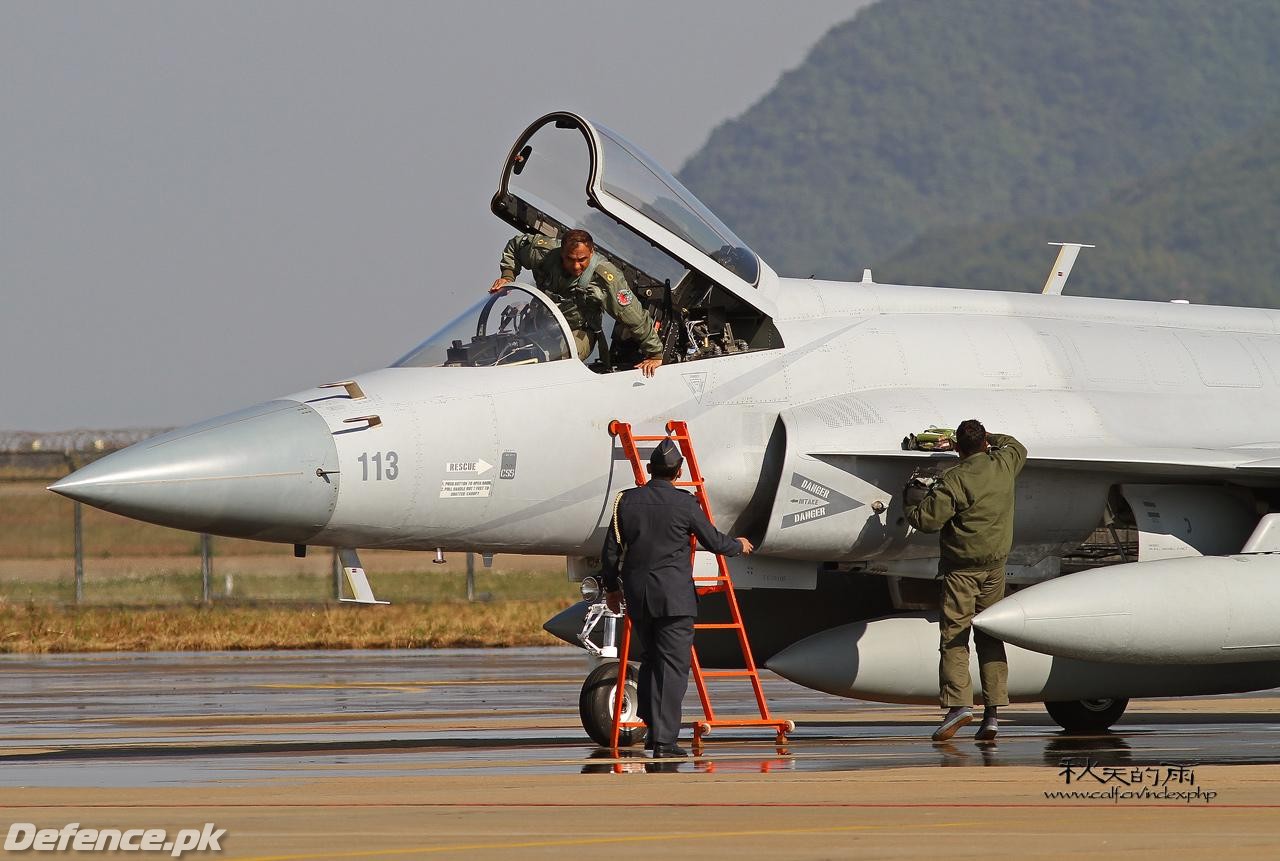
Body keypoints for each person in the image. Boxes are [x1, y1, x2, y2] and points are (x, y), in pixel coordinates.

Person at [600, 439, 754, 757]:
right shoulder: (685, 504)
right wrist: (739, 545)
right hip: (674, 600)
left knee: (652, 661)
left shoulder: (626, 501)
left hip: (639, 597)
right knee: (672, 668)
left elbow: (611, 550)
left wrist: (612, 589)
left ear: (648, 469)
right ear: (679, 471)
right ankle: (664, 741)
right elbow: (713, 541)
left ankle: (654, 725)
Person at [904, 420, 1027, 742]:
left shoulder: (955, 479)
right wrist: (989, 439)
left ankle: (958, 705)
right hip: (996, 570)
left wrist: (912, 496)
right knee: (990, 636)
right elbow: (1016, 444)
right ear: (986, 441)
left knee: (955, 638)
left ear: (958, 448)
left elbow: (925, 521)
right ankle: (993, 713)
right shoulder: (1004, 462)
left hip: (962, 572)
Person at [489, 228, 664, 377]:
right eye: (570, 259)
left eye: (582, 260)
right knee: (498, 354)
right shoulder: (544, 252)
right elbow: (516, 246)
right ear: (561, 252)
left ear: (592, 252)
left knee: (554, 366)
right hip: (539, 323)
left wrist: (655, 353)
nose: (576, 266)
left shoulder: (606, 278)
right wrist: (507, 275)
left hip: (578, 332)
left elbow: (633, 316)